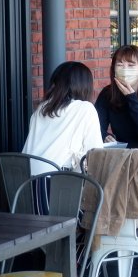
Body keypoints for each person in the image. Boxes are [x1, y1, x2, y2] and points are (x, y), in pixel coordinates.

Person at [22, 61, 104, 207]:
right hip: (53, 192)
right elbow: (96, 155)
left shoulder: (41, 109)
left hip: (24, 191)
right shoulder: (85, 109)